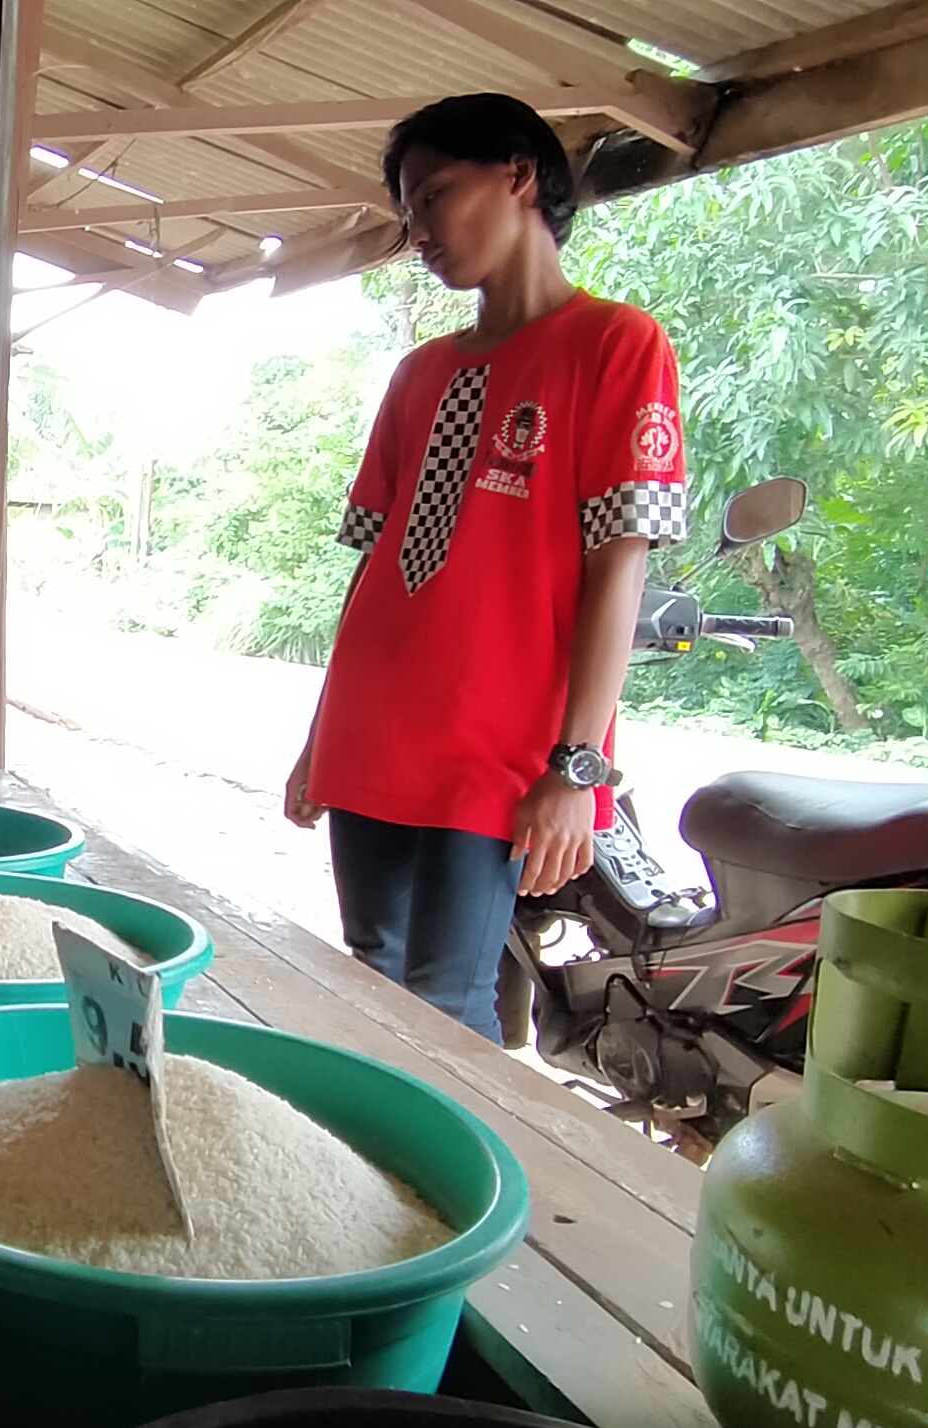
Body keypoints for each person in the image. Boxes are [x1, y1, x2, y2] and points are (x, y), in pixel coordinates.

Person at [284, 94, 687, 1045]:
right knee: (366, 979)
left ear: (518, 175)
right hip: (373, 731)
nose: (418, 229)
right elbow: (376, 566)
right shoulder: (419, 372)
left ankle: (452, 1194)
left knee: (444, 1005)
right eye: (408, 211)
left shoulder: (616, 345)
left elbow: (617, 570)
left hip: (498, 754)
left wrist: (577, 768)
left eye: (433, 194)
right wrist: (318, 738)